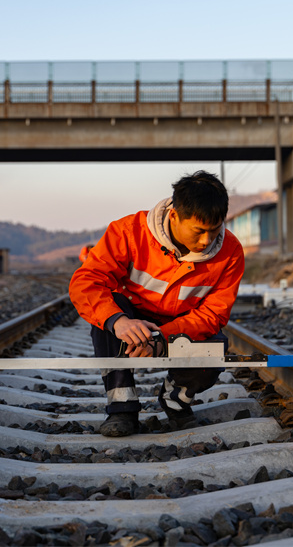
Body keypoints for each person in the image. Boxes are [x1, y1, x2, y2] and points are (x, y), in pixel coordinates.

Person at [69, 171, 245, 437]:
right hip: (132, 316)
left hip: (181, 326)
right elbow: (86, 281)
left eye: (215, 229)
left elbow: (213, 314)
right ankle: (121, 408)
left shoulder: (231, 252)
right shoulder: (128, 233)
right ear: (174, 216)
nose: (207, 241)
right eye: (199, 231)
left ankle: (176, 399)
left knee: (214, 348)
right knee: (105, 318)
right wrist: (119, 321)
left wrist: (162, 337)